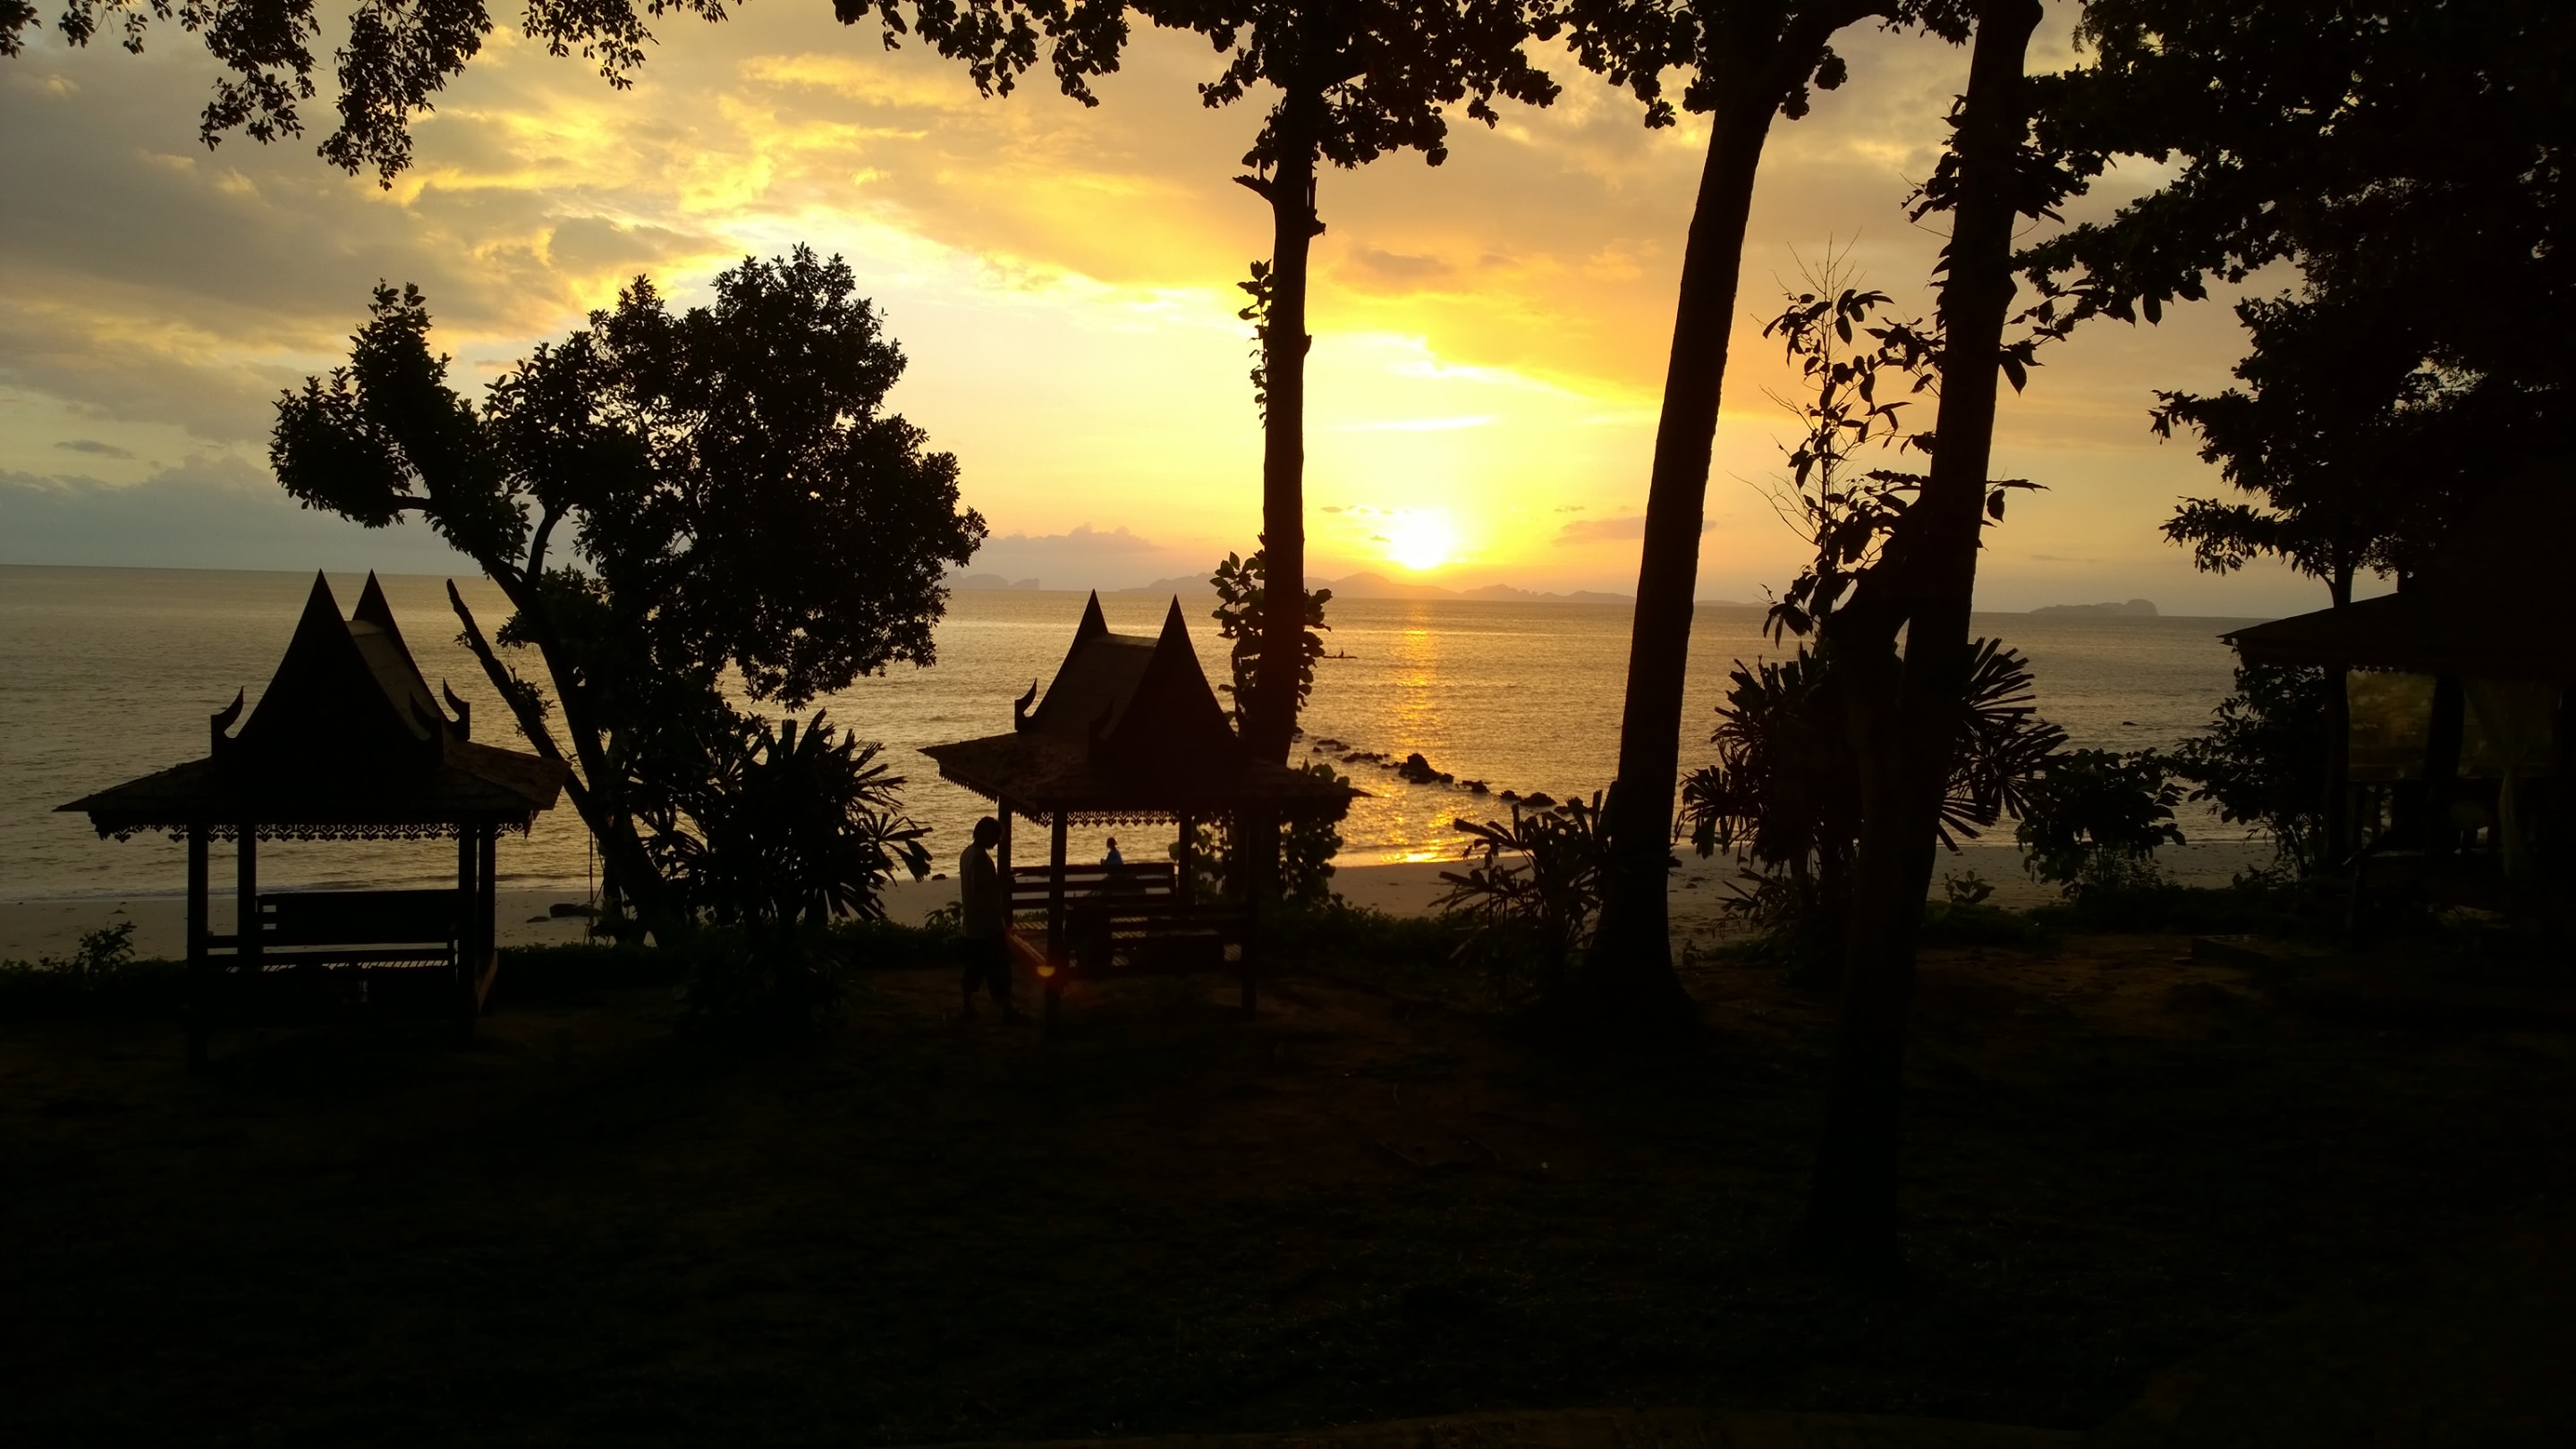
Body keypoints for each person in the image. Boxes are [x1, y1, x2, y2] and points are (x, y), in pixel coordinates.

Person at [957, 816, 1013, 1020]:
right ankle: (1005, 1009)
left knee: (973, 969)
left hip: (972, 923)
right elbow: (981, 889)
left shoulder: (967, 854)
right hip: (987, 925)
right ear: (987, 835)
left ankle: (968, 1006)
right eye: (996, 837)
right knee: (999, 970)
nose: (997, 841)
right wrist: (1002, 886)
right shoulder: (980, 858)